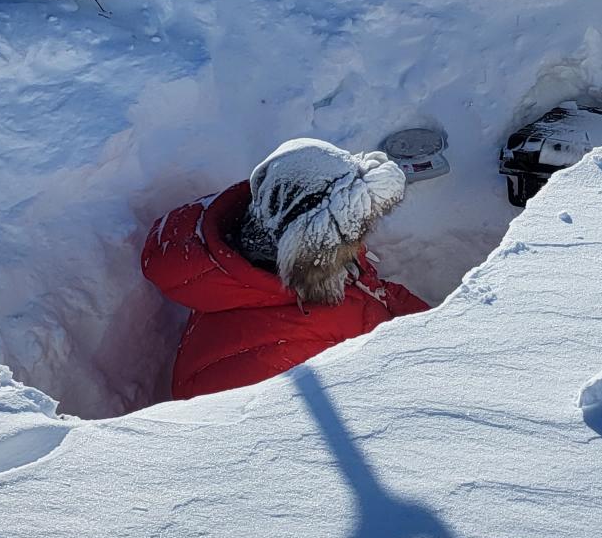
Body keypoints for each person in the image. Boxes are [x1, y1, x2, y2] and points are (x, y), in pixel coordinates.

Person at [140, 138, 428, 400]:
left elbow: (369, 298)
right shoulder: (265, 372)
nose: (361, 241)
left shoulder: (306, 267)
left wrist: (437, 329)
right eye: (355, 232)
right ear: (314, 245)